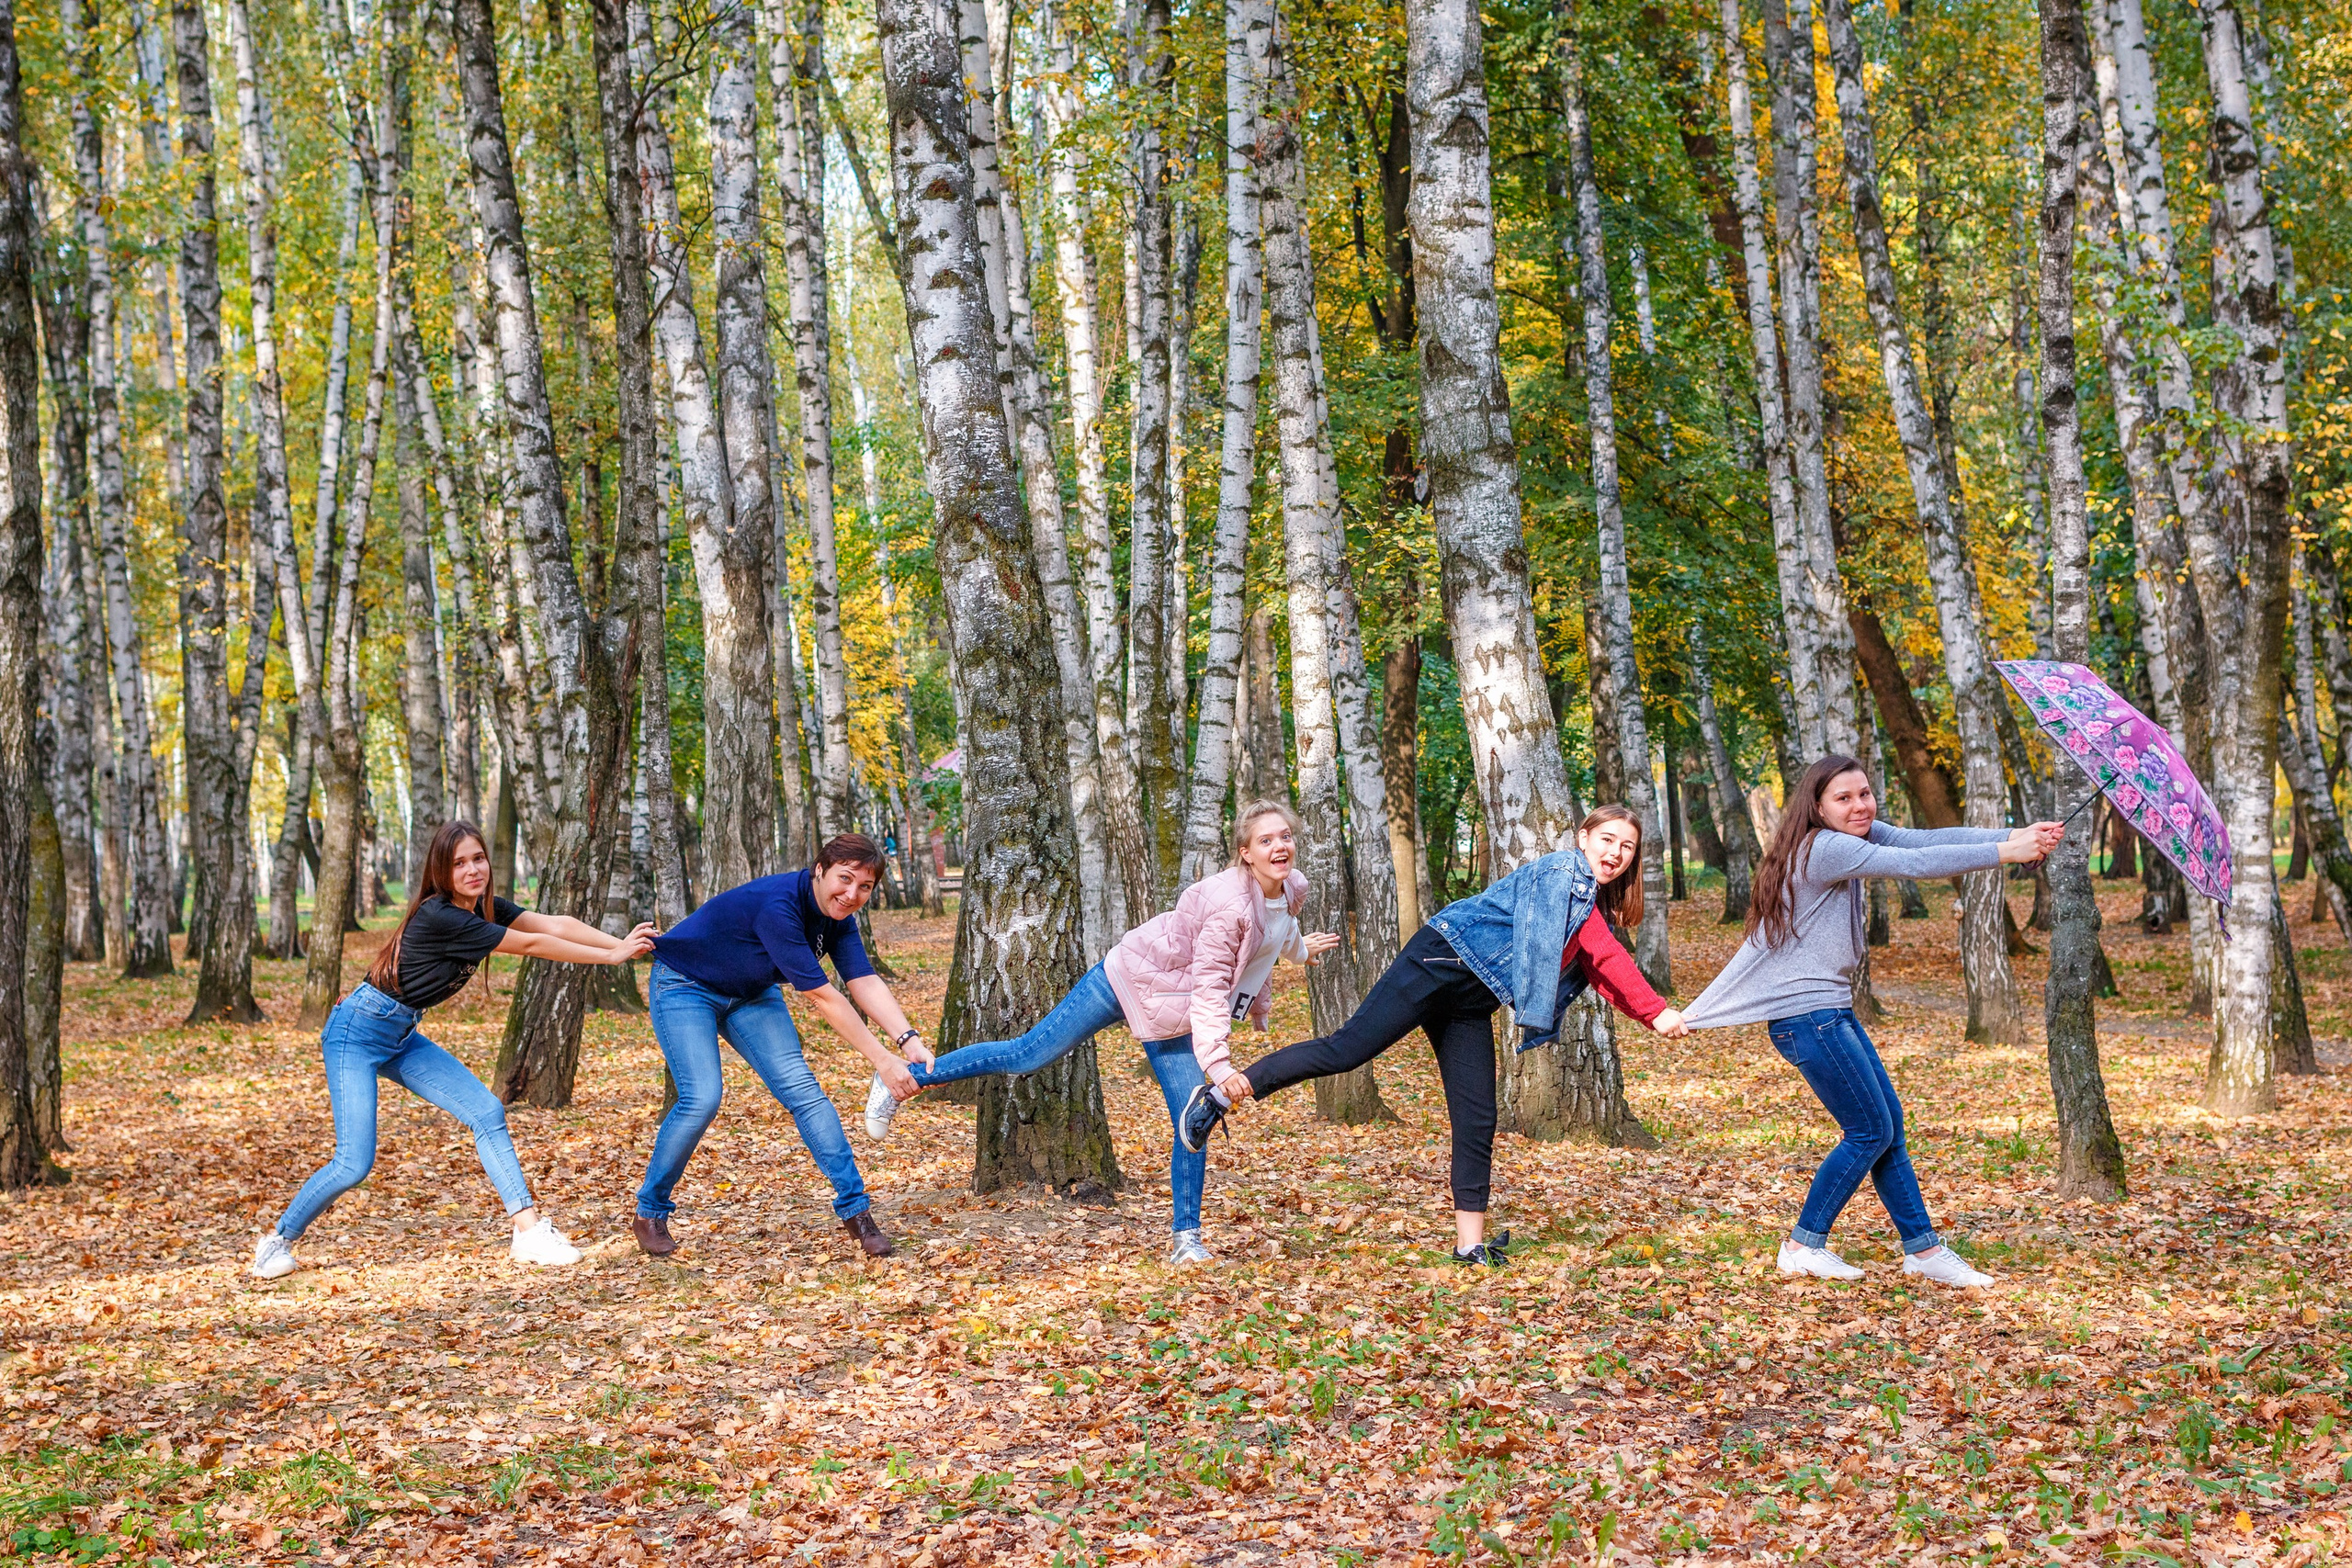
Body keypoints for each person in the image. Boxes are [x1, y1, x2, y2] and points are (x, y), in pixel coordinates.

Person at [1180, 806, 1689, 1267]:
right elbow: (1605, 953)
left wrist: (1650, 1015)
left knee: (1477, 1117)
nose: (1616, 854)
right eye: (1607, 840)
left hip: (1471, 998)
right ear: (1584, 839)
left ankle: (1469, 1246)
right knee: (1348, 1049)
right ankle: (1222, 1094)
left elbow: (1595, 966)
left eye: (1627, 847)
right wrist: (1657, 1011)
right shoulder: (1563, 875)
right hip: (1439, 961)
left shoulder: (1587, 903)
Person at [863, 801, 1338, 1265]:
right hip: (1128, 979)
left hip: (1174, 1013)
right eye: (1266, 840)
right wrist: (1219, 1065)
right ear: (1245, 853)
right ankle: (902, 1077)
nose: (1280, 846)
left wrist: (1300, 952)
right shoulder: (1229, 906)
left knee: (1194, 1120)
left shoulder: (1290, 887)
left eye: (1286, 837)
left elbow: (1275, 931)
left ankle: (1185, 1239)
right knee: (1028, 1053)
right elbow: (1212, 985)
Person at [1679, 754, 2062, 1288]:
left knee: (1888, 1128)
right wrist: (2005, 853)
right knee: (1869, 1130)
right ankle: (1801, 1245)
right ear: (1816, 806)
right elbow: (1912, 868)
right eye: (1844, 798)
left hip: (1826, 1011)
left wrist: (2016, 833)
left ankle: (1923, 1252)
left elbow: (1922, 842)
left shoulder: (1848, 833)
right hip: (1808, 1016)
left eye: (1865, 793)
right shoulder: (1825, 847)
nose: (1859, 805)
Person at [253, 821, 655, 1280]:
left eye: (478, 859)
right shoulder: (441, 916)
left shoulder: (484, 909)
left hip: (400, 1033)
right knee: (353, 1162)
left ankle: (528, 1232)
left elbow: (554, 924)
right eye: (459, 863)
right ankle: (278, 1241)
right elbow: (532, 943)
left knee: (486, 1111)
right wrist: (611, 958)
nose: (472, 870)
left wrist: (622, 943)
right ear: (441, 872)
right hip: (356, 1032)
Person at [632, 833, 930, 1259]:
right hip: (685, 985)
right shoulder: (780, 907)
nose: (851, 895)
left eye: (864, 887)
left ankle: (858, 1214)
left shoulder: (839, 918)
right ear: (819, 870)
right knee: (701, 1098)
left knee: (805, 1094)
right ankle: (650, 1212)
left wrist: (909, 1040)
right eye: (844, 880)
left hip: (751, 993)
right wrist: (883, 1060)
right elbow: (825, 996)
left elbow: (862, 979)